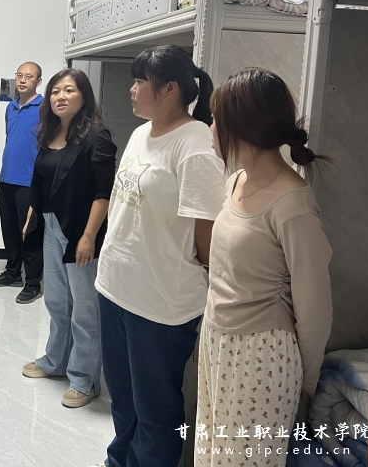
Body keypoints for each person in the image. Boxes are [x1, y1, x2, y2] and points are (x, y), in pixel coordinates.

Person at [95, 45, 225, 467]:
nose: (131, 89)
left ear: (170, 89)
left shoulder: (195, 145)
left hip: (160, 303)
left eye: (140, 82)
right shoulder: (140, 134)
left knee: (156, 412)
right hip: (115, 287)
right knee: (123, 401)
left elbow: (207, 237)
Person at [195, 68, 333, 466]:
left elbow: (314, 306)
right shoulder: (235, 180)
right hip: (217, 340)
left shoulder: (293, 205)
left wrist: (308, 377)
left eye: (216, 119)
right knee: (210, 454)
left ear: (242, 125)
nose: (211, 128)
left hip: (262, 356)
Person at [21, 69, 117, 408]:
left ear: (84, 96)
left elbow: (103, 194)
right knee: (57, 301)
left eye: (69, 90)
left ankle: (84, 379)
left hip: (79, 229)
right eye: (55, 91)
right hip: (51, 225)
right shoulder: (50, 132)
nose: (60, 96)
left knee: (85, 308)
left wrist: (89, 237)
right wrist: (32, 214)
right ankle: (55, 361)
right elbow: (42, 182)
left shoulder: (97, 137)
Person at [0, 62, 45, 304]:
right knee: (10, 229)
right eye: (19, 75)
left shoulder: (45, 108)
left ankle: (32, 283)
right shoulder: (10, 107)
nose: (22, 80)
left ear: (38, 82)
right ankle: (13, 273)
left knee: (30, 233)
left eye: (28, 77)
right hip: (7, 178)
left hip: (29, 181)